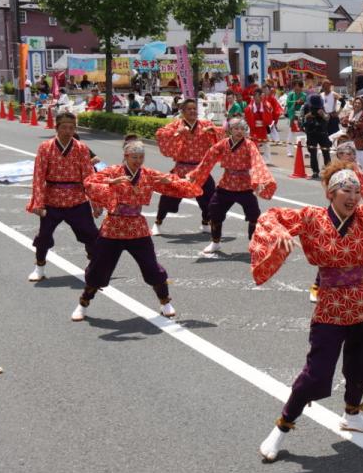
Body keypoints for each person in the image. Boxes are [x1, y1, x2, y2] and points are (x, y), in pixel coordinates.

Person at [252, 165, 363, 461]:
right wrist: (279, 232)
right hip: (332, 305)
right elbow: (269, 216)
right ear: (330, 193)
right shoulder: (312, 217)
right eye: (345, 191)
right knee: (316, 372)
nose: (353, 197)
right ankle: (282, 427)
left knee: (361, 364)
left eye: (357, 192)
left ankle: (352, 414)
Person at [72, 138, 201, 322]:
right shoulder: (113, 171)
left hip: (137, 228)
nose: (138, 160)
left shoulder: (147, 174)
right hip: (113, 228)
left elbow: (176, 184)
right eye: (134, 157)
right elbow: (90, 183)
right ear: (125, 156)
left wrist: (173, 181)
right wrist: (110, 183)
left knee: (151, 267)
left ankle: (165, 302)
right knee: (98, 268)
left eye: (141, 157)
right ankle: (83, 303)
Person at [25, 112, 100, 282]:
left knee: (91, 235)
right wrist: (38, 202)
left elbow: (89, 177)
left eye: (71, 128)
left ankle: (95, 267)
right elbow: (38, 177)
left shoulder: (81, 148)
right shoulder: (45, 147)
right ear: (56, 128)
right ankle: (40, 267)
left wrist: (96, 202)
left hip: (77, 199)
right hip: (52, 199)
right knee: (44, 235)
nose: (68, 131)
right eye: (64, 127)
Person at [190, 118, 277, 256]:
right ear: (230, 130)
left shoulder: (249, 145)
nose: (239, 131)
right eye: (236, 128)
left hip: (244, 186)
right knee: (214, 211)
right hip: (226, 184)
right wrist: (196, 173)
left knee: (254, 215)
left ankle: (253, 244)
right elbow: (208, 158)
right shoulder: (223, 144)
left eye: (242, 129)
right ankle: (215, 242)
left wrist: (260, 179)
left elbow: (257, 161)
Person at [152, 99, 223, 236]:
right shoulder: (176, 125)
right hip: (182, 168)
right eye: (189, 109)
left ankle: (205, 222)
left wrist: (213, 131)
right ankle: (158, 222)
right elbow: (160, 134)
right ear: (183, 112)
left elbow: (221, 133)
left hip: (200, 170)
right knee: (169, 195)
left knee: (209, 197)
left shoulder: (205, 124)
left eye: (194, 109)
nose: (192, 111)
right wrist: (177, 133)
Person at [302, 99, 332, 179]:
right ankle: (315, 171)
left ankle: (329, 171)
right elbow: (301, 121)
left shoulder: (323, 108)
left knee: (326, 152)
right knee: (313, 153)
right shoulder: (306, 107)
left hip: (322, 133)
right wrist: (307, 117)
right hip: (311, 133)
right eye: (314, 106)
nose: (315, 108)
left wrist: (323, 115)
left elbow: (328, 118)